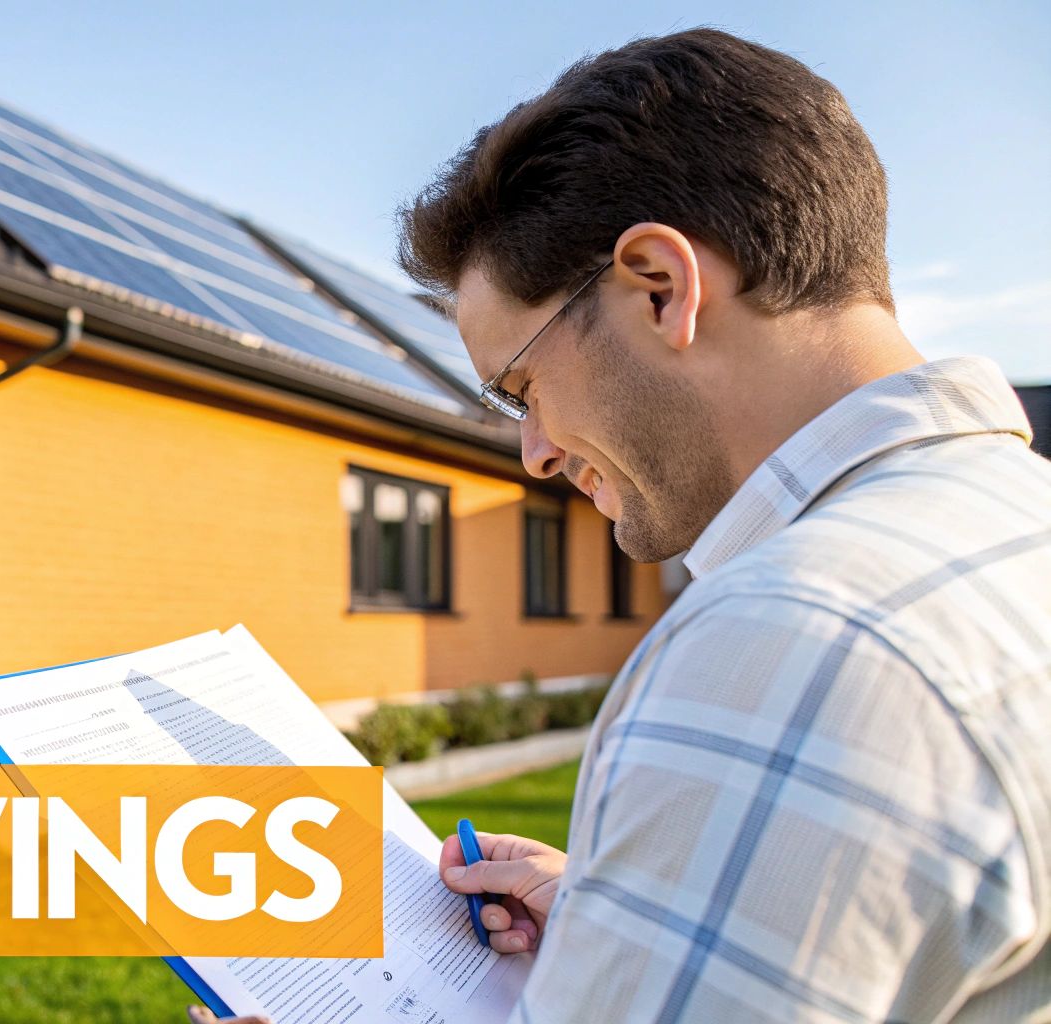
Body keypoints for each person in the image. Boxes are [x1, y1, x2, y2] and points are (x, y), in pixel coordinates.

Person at [194, 27, 1050, 1024]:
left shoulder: (780, 640)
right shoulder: (1011, 524)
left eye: (521, 388)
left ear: (658, 286)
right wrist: (637, 929)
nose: (535, 453)